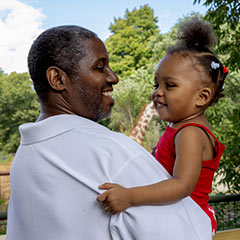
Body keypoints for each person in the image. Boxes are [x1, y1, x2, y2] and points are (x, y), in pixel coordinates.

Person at [7, 25, 212, 240]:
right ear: (58, 79)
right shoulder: (112, 153)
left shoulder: (24, 159)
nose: (114, 77)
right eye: (99, 67)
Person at [97, 17, 228, 236]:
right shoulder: (181, 128)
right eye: (156, 84)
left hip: (187, 220)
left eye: (170, 85)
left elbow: (181, 185)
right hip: (180, 214)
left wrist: (130, 196)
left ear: (201, 96)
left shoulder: (191, 133)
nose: (158, 92)